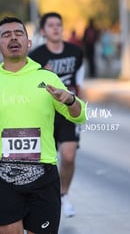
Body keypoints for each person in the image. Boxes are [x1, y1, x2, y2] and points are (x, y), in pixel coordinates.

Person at [0, 16, 87, 234]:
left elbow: (80, 115)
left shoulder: (47, 78)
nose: (13, 38)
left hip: (44, 176)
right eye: (6, 35)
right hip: (2, 176)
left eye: (19, 33)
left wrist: (70, 100)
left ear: (28, 43)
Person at [28, 12, 86, 218]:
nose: (56, 28)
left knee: (68, 157)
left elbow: (80, 82)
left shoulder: (76, 51)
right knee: (46, 160)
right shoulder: (35, 56)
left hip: (69, 110)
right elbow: (30, 87)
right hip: (46, 113)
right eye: (51, 25)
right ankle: (44, 198)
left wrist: (81, 108)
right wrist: (43, 75)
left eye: (58, 25)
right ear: (43, 31)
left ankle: (64, 195)